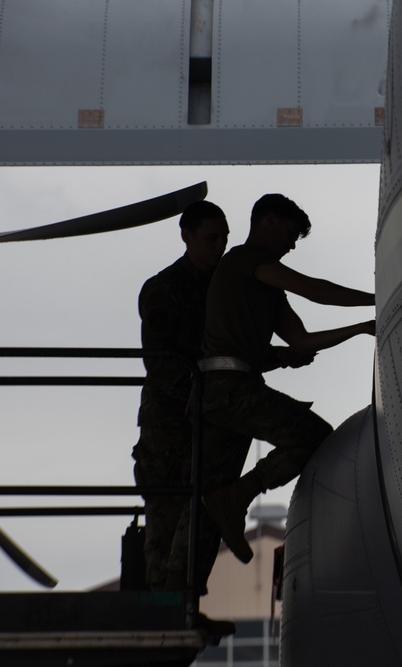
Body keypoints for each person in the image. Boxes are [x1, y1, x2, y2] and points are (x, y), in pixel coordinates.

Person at [176, 193, 374, 583]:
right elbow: (316, 290)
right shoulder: (245, 260)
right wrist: (379, 299)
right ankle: (239, 496)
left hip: (221, 394)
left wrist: (362, 328)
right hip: (228, 387)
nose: (291, 244)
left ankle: (178, 591)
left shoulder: (264, 284)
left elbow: (300, 342)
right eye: (289, 233)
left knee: (204, 499)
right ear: (266, 222)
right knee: (312, 434)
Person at [132, 200, 229, 592]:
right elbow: (160, 362)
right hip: (170, 424)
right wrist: (202, 391)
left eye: (223, 238)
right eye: (210, 238)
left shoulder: (227, 285)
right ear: (186, 236)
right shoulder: (163, 289)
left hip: (209, 418)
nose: (218, 245)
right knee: (166, 516)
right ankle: (161, 609)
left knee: (204, 514)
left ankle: (186, 605)